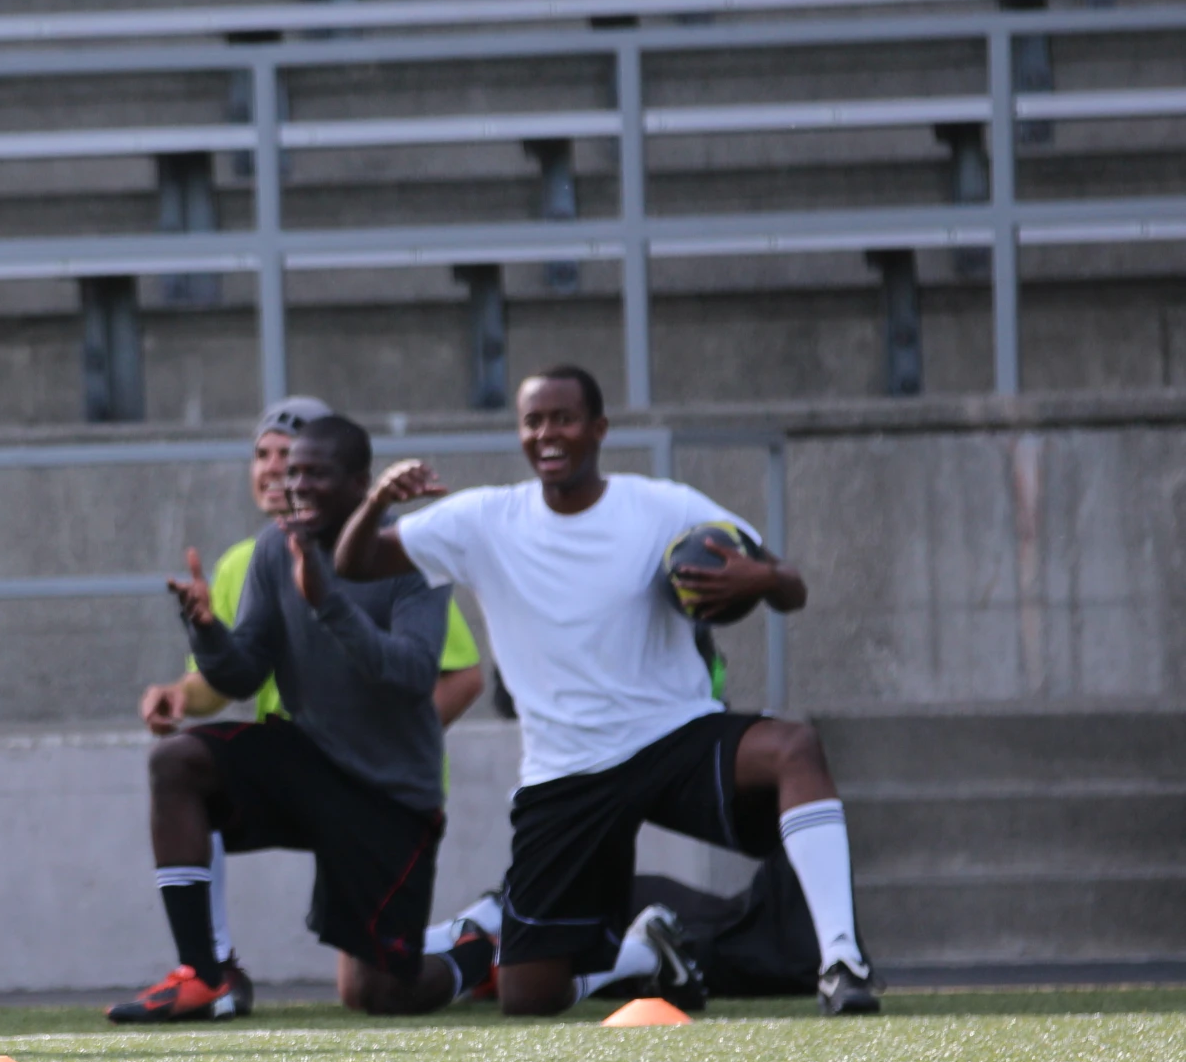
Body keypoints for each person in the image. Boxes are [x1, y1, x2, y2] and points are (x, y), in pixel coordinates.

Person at [333, 365, 878, 1018]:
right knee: (529, 997)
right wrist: (374, 503)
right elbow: (353, 563)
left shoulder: (662, 504)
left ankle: (842, 962)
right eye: (532, 421)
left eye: (562, 418)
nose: (547, 434)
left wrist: (759, 578)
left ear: (598, 429)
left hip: (672, 736)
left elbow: (793, 585)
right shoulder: (485, 518)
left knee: (794, 746)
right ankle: (647, 951)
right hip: (564, 773)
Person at [110, 414, 494, 1023]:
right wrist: (206, 630)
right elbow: (243, 675)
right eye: (292, 474)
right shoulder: (274, 548)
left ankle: (481, 946)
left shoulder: (413, 553)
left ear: (360, 484)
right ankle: (204, 976)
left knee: (378, 995)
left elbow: (413, 676)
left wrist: (328, 603)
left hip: (391, 792)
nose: (298, 486)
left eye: (317, 474)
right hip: (311, 761)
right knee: (176, 761)